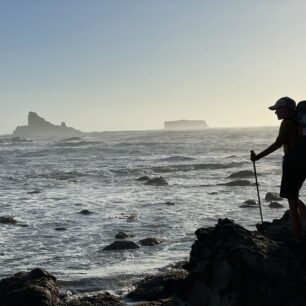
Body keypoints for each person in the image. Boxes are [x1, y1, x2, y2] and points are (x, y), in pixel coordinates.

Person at [250, 96, 306, 241]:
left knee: (292, 205)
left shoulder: (287, 123)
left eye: (278, 109)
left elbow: (278, 144)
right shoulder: (298, 123)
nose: (275, 112)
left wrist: (258, 157)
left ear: (287, 109)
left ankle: (298, 239)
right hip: (303, 163)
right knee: (294, 197)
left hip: (292, 165)